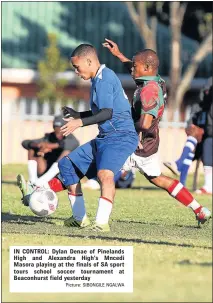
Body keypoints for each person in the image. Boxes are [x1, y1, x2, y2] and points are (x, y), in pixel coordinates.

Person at [18, 43, 138, 232]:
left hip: (121, 137)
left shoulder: (105, 78)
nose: (76, 71)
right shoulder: (98, 79)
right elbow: (100, 111)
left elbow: (107, 113)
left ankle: (101, 223)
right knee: (67, 165)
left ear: (89, 61)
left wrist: (79, 123)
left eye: (77, 67)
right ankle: (79, 218)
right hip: (106, 137)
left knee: (104, 175)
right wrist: (78, 114)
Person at [102, 38, 211, 226]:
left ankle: (97, 220)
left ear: (146, 68)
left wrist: (123, 129)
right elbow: (136, 66)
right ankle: (199, 209)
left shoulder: (149, 90)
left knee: (100, 170)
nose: (132, 70)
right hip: (149, 144)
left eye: (135, 67)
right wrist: (119, 55)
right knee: (157, 178)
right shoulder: (155, 80)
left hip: (136, 142)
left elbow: (144, 123)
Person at [163, 77, 212, 188]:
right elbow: (189, 124)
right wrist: (192, 128)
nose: (206, 92)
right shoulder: (197, 107)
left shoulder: (210, 108)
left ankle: (179, 166)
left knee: (191, 147)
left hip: (207, 142)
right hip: (196, 141)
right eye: (205, 90)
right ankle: (182, 180)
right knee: (192, 139)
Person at [17, 115, 79, 200]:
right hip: (44, 170)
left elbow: (73, 144)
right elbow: (25, 142)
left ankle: (41, 182)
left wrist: (50, 146)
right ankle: (32, 181)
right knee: (32, 149)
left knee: (67, 153)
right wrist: (38, 146)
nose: (58, 131)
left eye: (61, 129)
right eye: (56, 128)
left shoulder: (70, 138)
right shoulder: (49, 137)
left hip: (59, 175)